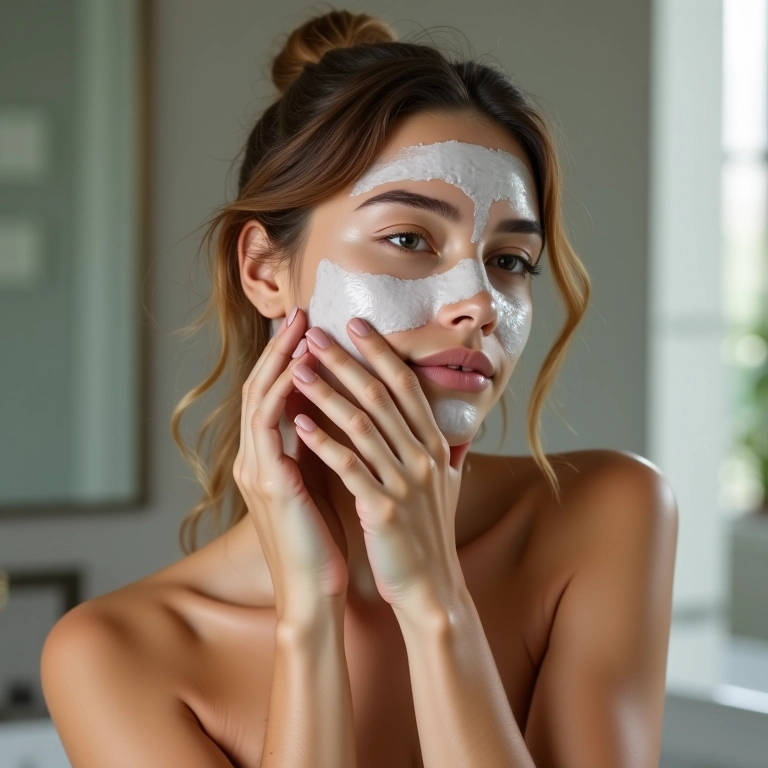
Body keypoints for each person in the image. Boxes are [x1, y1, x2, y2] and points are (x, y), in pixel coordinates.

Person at [41, 8, 678, 767]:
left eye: (510, 260)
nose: (478, 302)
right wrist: (308, 619)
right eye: (409, 239)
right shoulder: (112, 654)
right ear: (264, 271)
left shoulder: (606, 514)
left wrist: (436, 602)